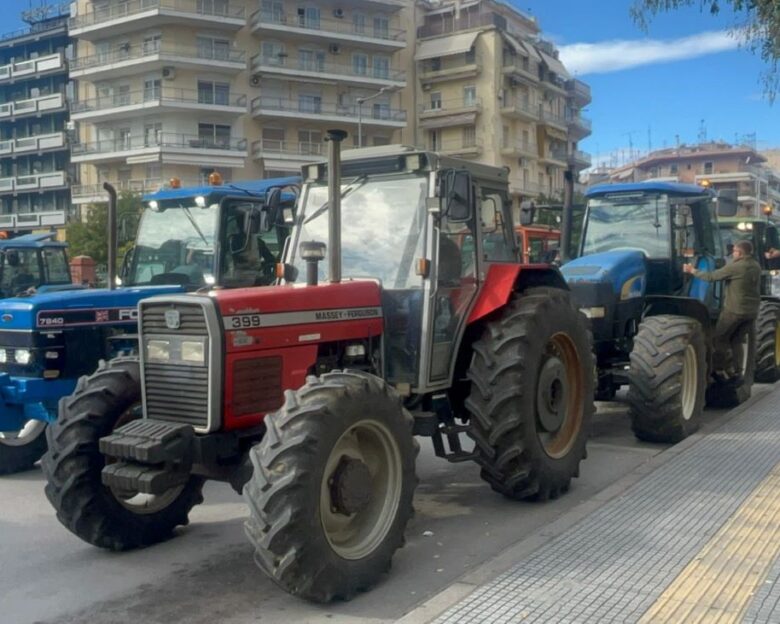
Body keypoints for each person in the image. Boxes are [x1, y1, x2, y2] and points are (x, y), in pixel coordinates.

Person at [683, 240, 761, 383]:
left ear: (740, 253)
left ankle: (718, 370)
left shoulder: (737, 267)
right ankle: (738, 373)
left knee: (719, 339)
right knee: (737, 341)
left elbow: (711, 277)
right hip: (751, 312)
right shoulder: (755, 265)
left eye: (735, 251)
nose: (732, 253)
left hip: (734, 311)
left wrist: (692, 270)